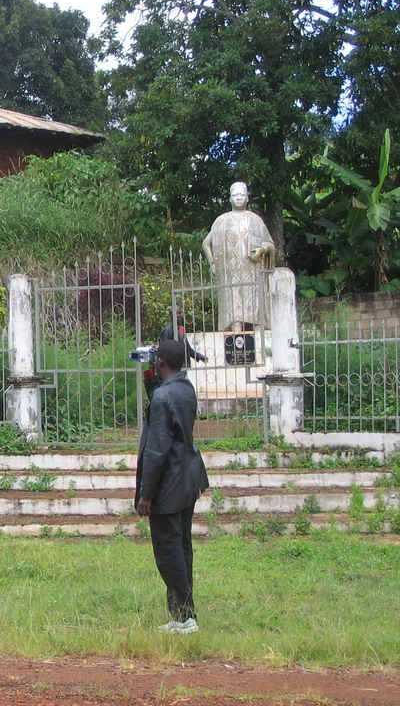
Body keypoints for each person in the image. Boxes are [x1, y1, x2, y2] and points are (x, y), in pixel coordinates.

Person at [135, 339, 209, 634]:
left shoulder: (165, 398)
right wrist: (149, 375)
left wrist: (146, 495)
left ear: (161, 362)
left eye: (155, 360)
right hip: (187, 480)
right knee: (181, 548)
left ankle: (185, 617)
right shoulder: (184, 387)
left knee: (168, 553)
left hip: (167, 485)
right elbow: (159, 400)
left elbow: (156, 451)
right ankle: (183, 616)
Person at [201, 182, 275, 331]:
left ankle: (257, 324)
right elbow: (205, 244)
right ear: (229, 199)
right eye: (235, 195)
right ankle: (236, 326)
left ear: (247, 198)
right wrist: (212, 262)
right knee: (233, 297)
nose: (238, 198)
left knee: (253, 296)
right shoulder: (221, 220)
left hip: (251, 268)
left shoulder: (255, 219)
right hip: (231, 270)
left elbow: (270, 244)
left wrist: (261, 250)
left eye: (242, 195)